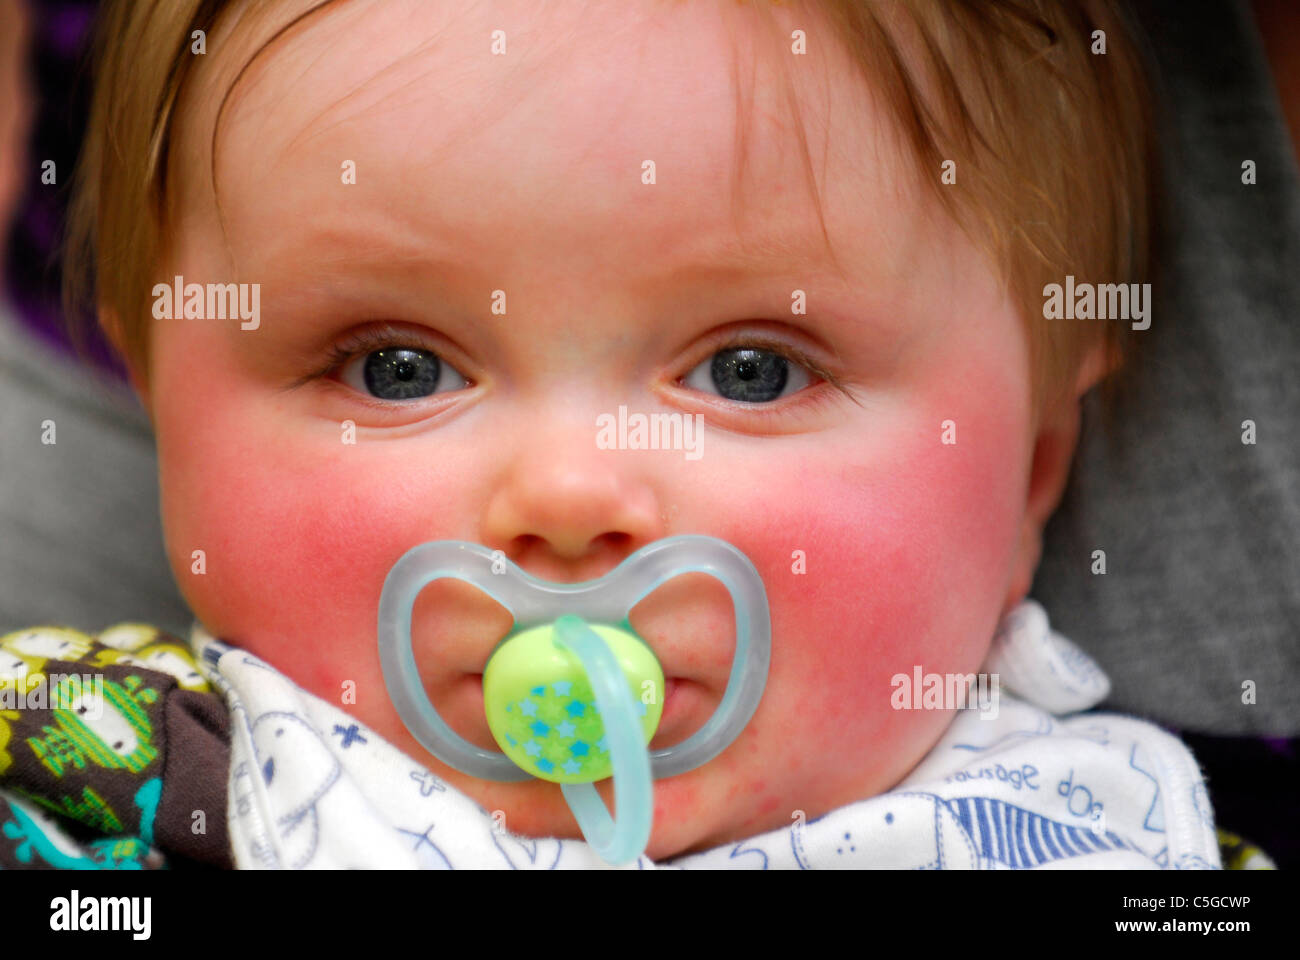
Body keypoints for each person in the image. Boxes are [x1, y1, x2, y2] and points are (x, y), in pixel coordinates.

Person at [0, 0, 1234, 868]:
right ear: (166, 423)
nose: (569, 492)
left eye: (751, 372)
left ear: (1031, 471)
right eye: (396, 368)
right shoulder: (103, 794)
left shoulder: (1119, 846)